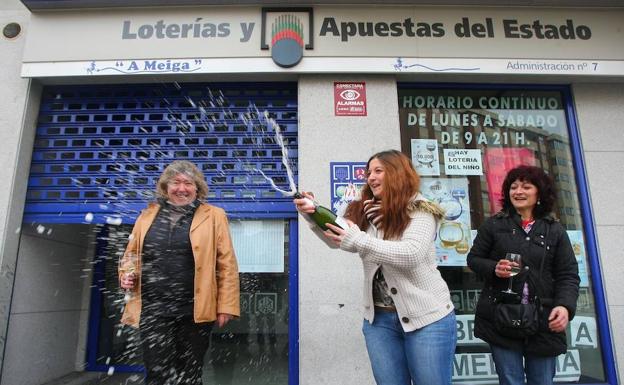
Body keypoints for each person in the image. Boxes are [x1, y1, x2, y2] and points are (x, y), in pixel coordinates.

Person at [294, 150, 456, 385]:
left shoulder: (421, 210)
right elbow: (338, 238)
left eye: (378, 171)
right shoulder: (365, 210)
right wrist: (311, 213)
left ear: (398, 174)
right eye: (369, 172)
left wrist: (358, 239)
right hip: (379, 322)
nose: (370, 177)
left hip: (428, 318)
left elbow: (411, 253)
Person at [119, 160, 240, 385]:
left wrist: (226, 305)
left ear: (198, 188)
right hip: (153, 309)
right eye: (176, 183)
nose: (182, 188)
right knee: (157, 373)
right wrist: (126, 274)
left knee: (190, 374)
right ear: (165, 188)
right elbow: (131, 255)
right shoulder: (148, 214)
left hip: (194, 309)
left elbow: (227, 263)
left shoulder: (214, 215)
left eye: (188, 183)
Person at [467, 165, 580, 385]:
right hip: (502, 317)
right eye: (513, 187)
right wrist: (494, 268)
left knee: (542, 381)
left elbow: (568, 274)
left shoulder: (554, 230)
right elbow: (473, 259)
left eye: (526, 187)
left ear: (539, 193)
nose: (518, 191)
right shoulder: (494, 225)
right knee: (510, 381)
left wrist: (565, 306)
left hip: (543, 320)